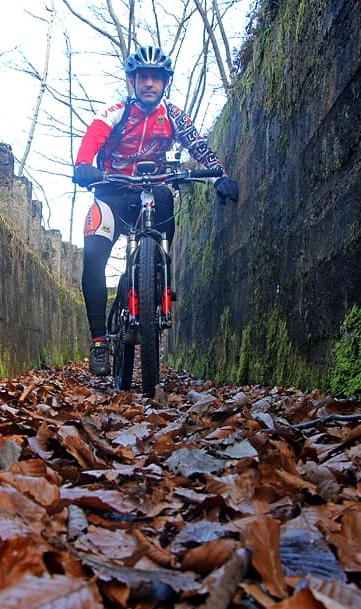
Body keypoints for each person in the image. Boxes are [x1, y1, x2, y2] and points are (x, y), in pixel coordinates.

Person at [73, 45, 239, 376]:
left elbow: (199, 145)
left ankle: (158, 283)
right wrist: (83, 165)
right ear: (133, 82)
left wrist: (220, 174)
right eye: (143, 77)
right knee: (93, 257)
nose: (149, 83)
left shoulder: (174, 116)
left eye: (156, 78)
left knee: (164, 202)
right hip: (112, 191)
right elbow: (94, 135)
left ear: (165, 83)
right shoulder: (118, 111)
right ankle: (99, 343)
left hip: (153, 189)